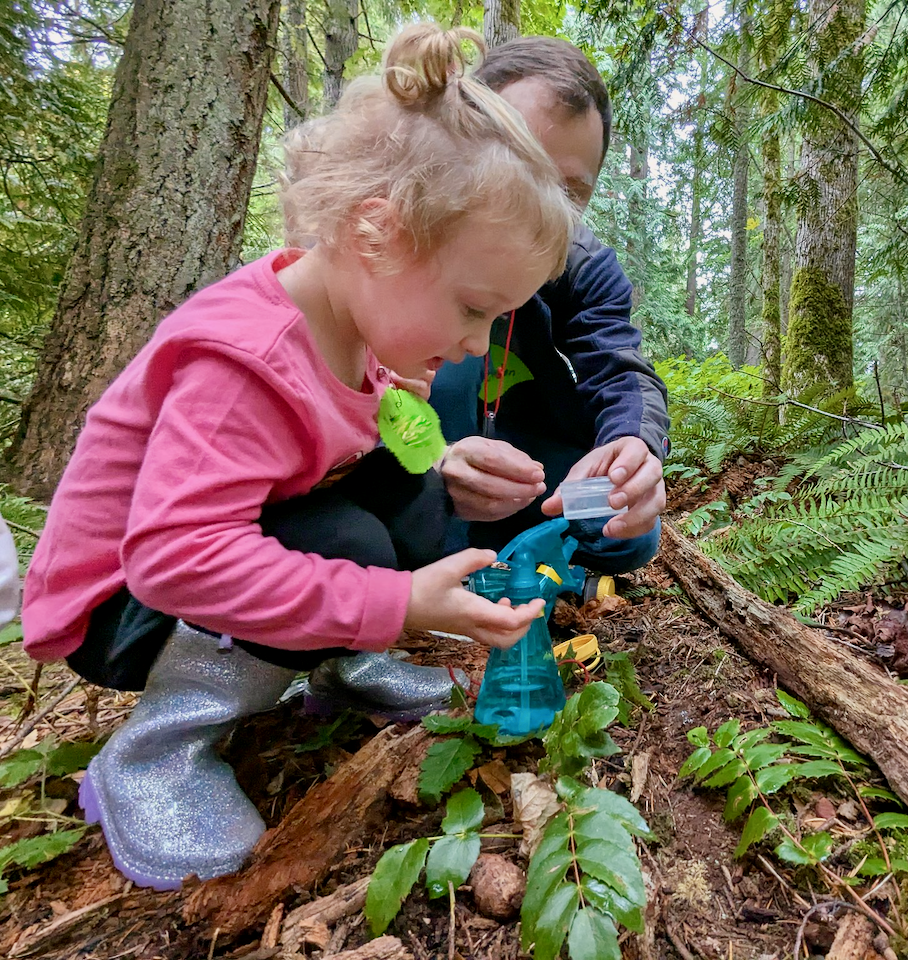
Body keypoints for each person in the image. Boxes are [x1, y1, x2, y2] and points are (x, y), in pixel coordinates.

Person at [20, 23, 578, 891]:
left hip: (192, 563)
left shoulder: (360, 331)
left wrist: (449, 468)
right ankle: (159, 750)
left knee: (404, 460)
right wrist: (392, 602)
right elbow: (174, 556)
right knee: (346, 541)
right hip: (124, 601)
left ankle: (339, 660)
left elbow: (380, 439)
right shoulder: (244, 361)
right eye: (473, 309)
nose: (476, 343)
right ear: (377, 235)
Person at [429, 38, 669, 581]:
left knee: (626, 527)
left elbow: (620, 367)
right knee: (454, 358)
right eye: (522, 168)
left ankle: (498, 544)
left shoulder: (583, 265)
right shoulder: (404, 240)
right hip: (414, 457)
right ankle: (430, 532)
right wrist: (432, 467)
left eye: (569, 191)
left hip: (525, 469)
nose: (542, 208)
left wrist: (633, 444)